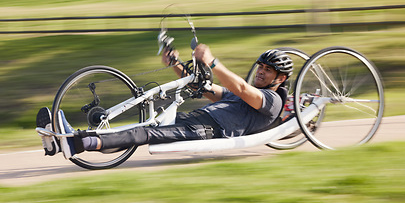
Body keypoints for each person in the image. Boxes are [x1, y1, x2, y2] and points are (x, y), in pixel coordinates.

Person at [36, 44, 293, 158]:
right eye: (260, 66)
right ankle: (65, 142)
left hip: (209, 130)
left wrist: (213, 61)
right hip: (197, 119)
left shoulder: (271, 101)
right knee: (143, 126)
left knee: (144, 133)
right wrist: (175, 65)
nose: (261, 71)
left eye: (267, 70)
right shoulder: (243, 93)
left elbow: (240, 86)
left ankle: (77, 143)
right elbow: (203, 86)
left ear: (280, 79)